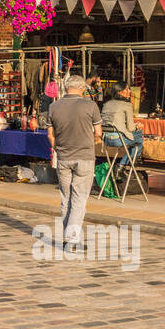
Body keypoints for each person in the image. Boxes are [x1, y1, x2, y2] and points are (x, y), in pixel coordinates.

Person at [47, 75, 103, 250]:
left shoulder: (53, 106)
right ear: (82, 89)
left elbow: (50, 135)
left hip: (63, 157)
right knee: (79, 199)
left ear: (65, 87)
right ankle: (71, 238)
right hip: (84, 156)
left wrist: (59, 148)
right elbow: (98, 132)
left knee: (66, 198)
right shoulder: (90, 106)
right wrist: (91, 141)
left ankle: (69, 237)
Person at [100, 80, 143, 166]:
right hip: (118, 139)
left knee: (135, 141)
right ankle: (122, 165)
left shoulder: (106, 104)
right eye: (126, 89)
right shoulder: (127, 105)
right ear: (119, 92)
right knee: (139, 137)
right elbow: (131, 128)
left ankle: (124, 165)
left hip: (106, 139)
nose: (129, 91)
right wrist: (137, 126)